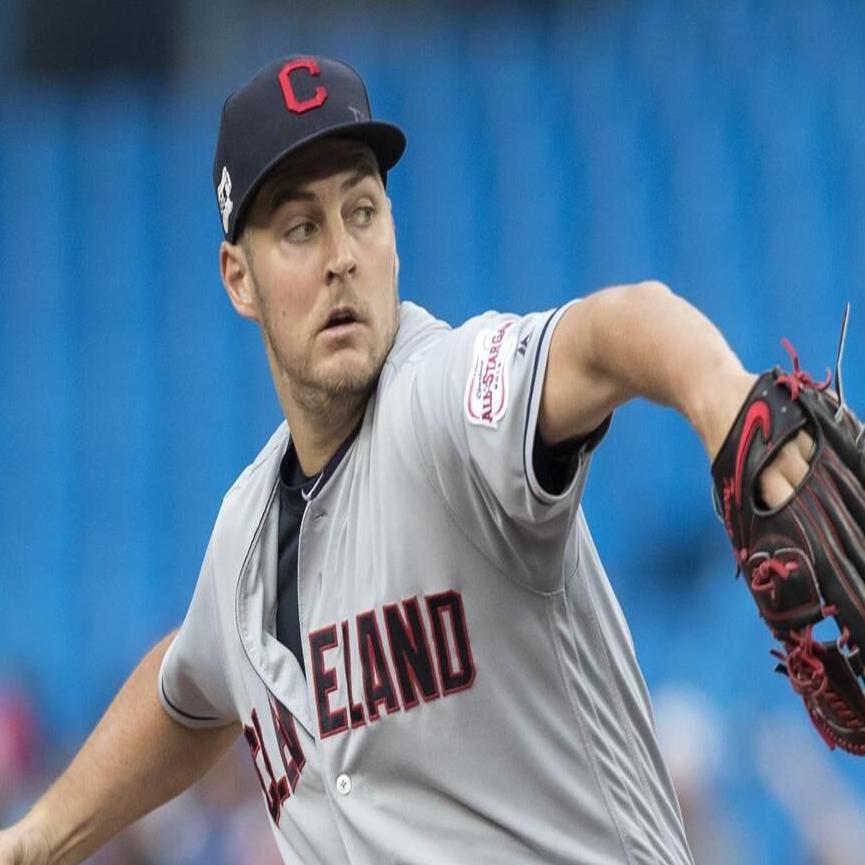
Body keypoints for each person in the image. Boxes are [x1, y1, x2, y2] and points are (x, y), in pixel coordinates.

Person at [0, 55, 811, 865]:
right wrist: (37, 839)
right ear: (238, 279)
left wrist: (721, 396)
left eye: (362, 211)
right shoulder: (244, 536)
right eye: (300, 228)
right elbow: (185, 692)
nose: (341, 255)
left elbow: (608, 334)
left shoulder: (447, 398)